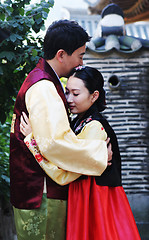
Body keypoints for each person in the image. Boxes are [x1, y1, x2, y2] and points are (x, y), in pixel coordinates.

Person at [10, 20, 112, 240]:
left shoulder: (41, 80)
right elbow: (55, 143)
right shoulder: (45, 87)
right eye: (80, 55)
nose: (81, 63)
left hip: (34, 188)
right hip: (43, 192)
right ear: (61, 54)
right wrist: (98, 153)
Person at [21, 66, 141, 240]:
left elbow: (64, 172)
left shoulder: (94, 127)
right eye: (67, 92)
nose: (69, 99)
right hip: (86, 192)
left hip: (95, 196)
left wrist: (32, 140)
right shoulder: (79, 122)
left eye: (75, 94)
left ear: (94, 96)